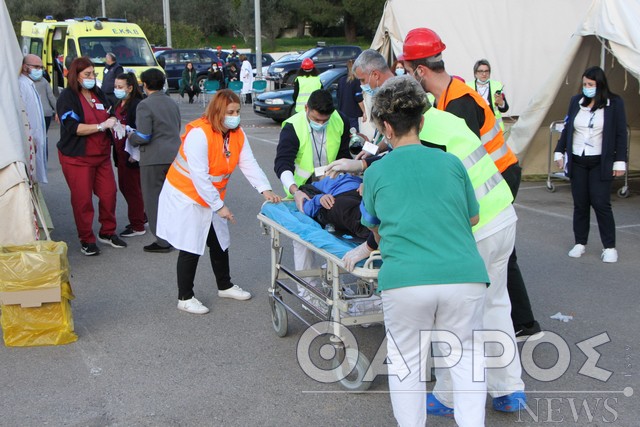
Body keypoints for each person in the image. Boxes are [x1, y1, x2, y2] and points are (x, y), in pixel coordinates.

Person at [401, 27, 526, 414]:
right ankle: (509, 389)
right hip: (502, 209)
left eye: (406, 67)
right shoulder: (453, 101)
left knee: (455, 312)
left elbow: (443, 182)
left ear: (419, 70)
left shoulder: (445, 113)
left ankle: (449, 395)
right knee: (495, 304)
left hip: (479, 221)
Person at [363, 76, 489, 427]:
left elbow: (372, 224)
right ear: (421, 121)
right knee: (465, 360)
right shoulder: (450, 163)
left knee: (407, 364)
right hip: (463, 276)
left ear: (386, 127)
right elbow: (473, 215)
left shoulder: (377, 172)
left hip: (406, 280)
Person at [157, 89, 281, 314]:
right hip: (186, 196)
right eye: (230, 112)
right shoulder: (199, 134)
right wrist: (220, 207)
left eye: (237, 111)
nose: (235, 116)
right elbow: (199, 177)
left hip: (210, 197)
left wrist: (266, 189)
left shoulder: (236, 133)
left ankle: (224, 285)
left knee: (219, 242)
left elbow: (249, 164)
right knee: (191, 246)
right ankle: (185, 297)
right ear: (218, 112)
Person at [554, 66, 627, 263]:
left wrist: (620, 162)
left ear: (600, 85)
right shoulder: (576, 102)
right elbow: (568, 127)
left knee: (601, 202)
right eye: (585, 84)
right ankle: (580, 242)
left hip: (600, 161)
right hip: (578, 159)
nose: (586, 87)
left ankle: (609, 247)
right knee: (580, 203)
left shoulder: (614, 103)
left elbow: (621, 134)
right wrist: (559, 151)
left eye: (590, 85)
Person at [56, 56, 127, 255]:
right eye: (87, 74)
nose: (91, 77)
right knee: (83, 200)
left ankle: (107, 231)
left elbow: (110, 111)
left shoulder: (97, 93)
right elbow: (73, 127)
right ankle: (86, 238)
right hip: (78, 158)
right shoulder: (67, 97)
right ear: (75, 75)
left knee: (108, 194)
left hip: (101, 155)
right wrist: (100, 126)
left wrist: (113, 119)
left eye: (93, 73)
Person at [274, 89, 351, 270]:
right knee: (304, 239)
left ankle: (332, 283)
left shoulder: (340, 120)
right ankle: (307, 290)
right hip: (303, 190)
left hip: (332, 185)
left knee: (336, 235)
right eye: (316, 120)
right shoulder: (293, 127)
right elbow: (282, 164)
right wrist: (296, 191)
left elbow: (344, 154)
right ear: (307, 108)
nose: (321, 123)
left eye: (325, 120)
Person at [129, 68, 181, 253]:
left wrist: (130, 138)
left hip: (153, 157)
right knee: (172, 199)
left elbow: (143, 135)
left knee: (153, 200)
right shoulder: (171, 102)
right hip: (174, 156)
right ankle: (176, 235)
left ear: (145, 84)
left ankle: (162, 241)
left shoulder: (145, 105)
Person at [112, 71, 147, 238]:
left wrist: (136, 154)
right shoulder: (119, 103)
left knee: (132, 189)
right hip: (120, 152)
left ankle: (137, 224)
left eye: (120, 87)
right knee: (126, 187)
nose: (117, 89)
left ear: (130, 87)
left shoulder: (136, 105)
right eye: (115, 87)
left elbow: (141, 131)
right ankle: (141, 216)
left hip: (131, 153)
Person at [296, 174, 369, 239]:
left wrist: (366, 183)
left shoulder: (361, 178)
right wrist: (319, 199)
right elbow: (305, 207)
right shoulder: (320, 184)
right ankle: (371, 231)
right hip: (340, 199)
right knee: (343, 207)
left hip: (362, 193)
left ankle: (373, 229)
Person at [19, 54, 48, 185]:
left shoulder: (30, 84)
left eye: (41, 67)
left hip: (35, 138)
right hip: (30, 138)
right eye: (36, 67)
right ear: (25, 67)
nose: (39, 70)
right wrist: (30, 138)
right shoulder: (21, 84)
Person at [468, 59, 509, 131]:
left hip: (494, 127)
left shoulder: (497, 85)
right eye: (481, 71)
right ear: (475, 73)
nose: (484, 74)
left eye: (486, 71)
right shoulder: (468, 87)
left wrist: (501, 103)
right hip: (476, 126)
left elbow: (505, 109)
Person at [336, 59, 365, 131]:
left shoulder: (341, 80)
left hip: (342, 112)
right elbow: (358, 98)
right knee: (354, 135)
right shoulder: (356, 81)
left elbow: (338, 96)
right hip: (353, 113)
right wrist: (364, 112)